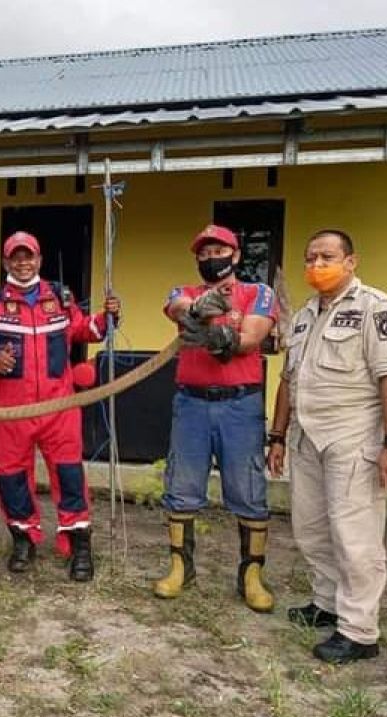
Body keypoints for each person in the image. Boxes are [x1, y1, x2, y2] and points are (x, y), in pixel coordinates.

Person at [266, 229, 387, 664]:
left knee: (355, 537)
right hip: (308, 437)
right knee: (311, 528)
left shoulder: (375, 308)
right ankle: (327, 603)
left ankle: (359, 630)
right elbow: (289, 380)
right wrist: (277, 436)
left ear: (351, 261)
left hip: (354, 438)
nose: (316, 265)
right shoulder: (307, 314)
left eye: (327, 256)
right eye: (310, 257)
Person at [0, 231, 120, 581]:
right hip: (11, 412)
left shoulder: (61, 298)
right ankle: (24, 540)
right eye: (15, 257)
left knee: (69, 476)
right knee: (11, 477)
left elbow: (85, 331)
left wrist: (107, 317)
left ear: (39, 259)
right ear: (6, 262)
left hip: (59, 408)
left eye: (29, 256)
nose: (23, 263)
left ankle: (78, 543)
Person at [156, 224, 279, 612]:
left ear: (236, 255)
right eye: (205, 254)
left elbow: (252, 337)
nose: (212, 259)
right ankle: (181, 567)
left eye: (219, 251)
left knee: (247, 490)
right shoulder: (186, 292)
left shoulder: (258, 293)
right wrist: (197, 310)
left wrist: (225, 338)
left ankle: (251, 575)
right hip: (191, 403)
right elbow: (176, 307)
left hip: (240, 405)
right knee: (182, 485)